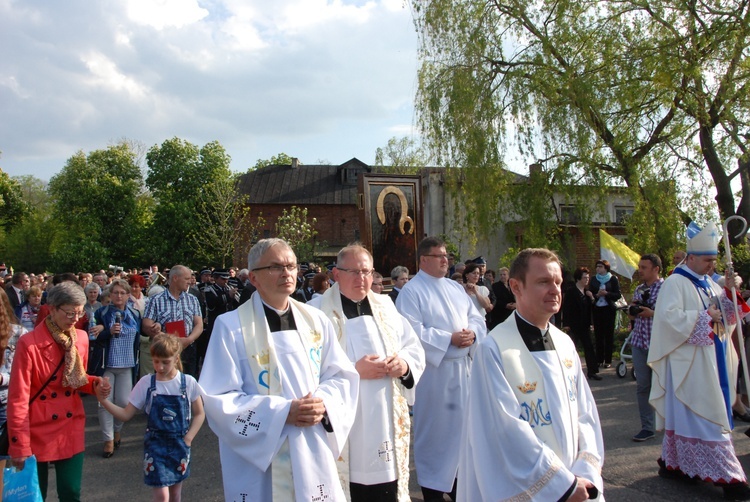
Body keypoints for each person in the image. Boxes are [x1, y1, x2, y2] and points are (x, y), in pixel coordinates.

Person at [199, 238, 359, 501]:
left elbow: (340, 374)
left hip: (311, 442)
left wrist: (323, 403)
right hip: (263, 457)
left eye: (291, 266)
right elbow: (219, 399)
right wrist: (283, 412)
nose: (287, 273)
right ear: (253, 277)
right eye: (276, 267)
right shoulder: (230, 327)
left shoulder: (316, 321)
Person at [458, 248, 604, 501]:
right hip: (534, 487)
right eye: (543, 282)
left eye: (557, 282)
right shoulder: (494, 349)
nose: (555, 289)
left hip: (577, 480)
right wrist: (562, 485)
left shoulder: (565, 343)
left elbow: (586, 415)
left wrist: (586, 470)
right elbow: (506, 430)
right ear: (516, 286)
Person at [310, 244, 425, 501]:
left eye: (367, 272)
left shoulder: (385, 305)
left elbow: (412, 345)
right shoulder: (316, 313)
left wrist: (404, 365)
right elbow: (307, 368)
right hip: (345, 419)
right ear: (336, 274)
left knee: (387, 488)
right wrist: (354, 371)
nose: (362, 279)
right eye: (354, 272)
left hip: (385, 416)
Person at [648, 223, 750, 500]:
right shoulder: (675, 282)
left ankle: (676, 464)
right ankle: (730, 478)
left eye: (714, 261)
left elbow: (727, 321)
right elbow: (668, 320)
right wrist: (706, 319)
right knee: (706, 417)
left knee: (698, 416)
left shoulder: (709, 283)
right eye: (707, 260)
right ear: (690, 258)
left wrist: (729, 293)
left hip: (712, 361)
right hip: (688, 366)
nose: (711, 265)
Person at [395, 236, 486, 501]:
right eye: (439, 256)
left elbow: (476, 318)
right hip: (435, 375)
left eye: (446, 255)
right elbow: (410, 332)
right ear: (424, 260)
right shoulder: (412, 291)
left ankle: (461, 485)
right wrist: (448, 339)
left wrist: (472, 335)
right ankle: (433, 489)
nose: (446, 260)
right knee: (436, 435)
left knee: (465, 434)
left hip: (463, 372)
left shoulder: (455, 288)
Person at [7, 282, 106, 501]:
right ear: (52, 309)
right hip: (36, 428)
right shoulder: (28, 344)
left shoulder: (80, 338)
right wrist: (20, 444)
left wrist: (95, 383)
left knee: (71, 491)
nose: (75, 319)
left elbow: (77, 380)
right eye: (70, 312)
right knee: (34, 493)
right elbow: (18, 398)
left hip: (69, 424)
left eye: (79, 313)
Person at [96, 334, 205, 502]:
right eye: (155, 361)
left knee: (175, 494)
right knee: (162, 495)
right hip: (155, 445)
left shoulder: (188, 382)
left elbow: (199, 413)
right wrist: (104, 401)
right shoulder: (147, 383)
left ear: (176, 359)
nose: (159, 367)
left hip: (180, 445)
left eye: (165, 362)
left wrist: (189, 437)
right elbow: (126, 414)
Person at [88, 279, 142, 458]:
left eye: (122, 293)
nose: (119, 296)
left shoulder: (134, 314)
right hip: (107, 365)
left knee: (124, 403)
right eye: (115, 293)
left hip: (127, 364)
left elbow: (140, 334)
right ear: (110, 295)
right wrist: (107, 331)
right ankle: (108, 440)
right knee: (104, 403)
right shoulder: (101, 313)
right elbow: (92, 336)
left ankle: (117, 431)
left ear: (128, 295)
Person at [143, 265, 203, 378]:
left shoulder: (192, 299)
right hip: (165, 351)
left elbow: (199, 324)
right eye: (186, 279)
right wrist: (167, 338)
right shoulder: (155, 300)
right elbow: (146, 325)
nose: (190, 282)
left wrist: (188, 340)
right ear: (175, 278)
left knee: (187, 383)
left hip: (188, 349)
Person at [628, 254, 663, 442]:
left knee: (665, 386)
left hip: (659, 346)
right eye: (639, 267)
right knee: (643, 387)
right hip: (640, 343)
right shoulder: (639, 289)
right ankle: (647, 427)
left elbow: (671, 316)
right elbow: (634, 315)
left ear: (656, 269)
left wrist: (653, 314)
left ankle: (669, 424)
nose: (640, 270)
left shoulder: (666, 289)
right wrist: (632, 313)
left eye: (644, 267)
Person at [0, 289, 27, 490]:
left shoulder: (17, 334)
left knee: (4, 470)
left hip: (4, 405)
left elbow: (23, 376)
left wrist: (2, 378)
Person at [562, 266, 600, 380]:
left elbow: (591, 309)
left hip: (585, 325)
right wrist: (566, 324)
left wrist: (592, 297)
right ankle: (567, 370)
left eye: (588, 277)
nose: (587, 280)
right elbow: (567, 308)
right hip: (574, 325)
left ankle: (592, 371)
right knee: (571, 348)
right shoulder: (571, 292)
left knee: (589, 347)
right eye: (585, 277)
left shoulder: (587, 292)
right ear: (578, 278)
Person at [588, 259, 621, 368]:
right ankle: (599, 359)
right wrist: (596, 295)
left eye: (600, 266)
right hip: (598, 308)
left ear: (605, 268)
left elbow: (617, 295)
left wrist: (607, 293)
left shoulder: (612, 279)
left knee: (608, 335)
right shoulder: (593, 279)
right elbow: (590, 292)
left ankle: (608, 360)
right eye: (597, 266)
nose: (598, 269)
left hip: (608, 309)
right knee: (598, 335)